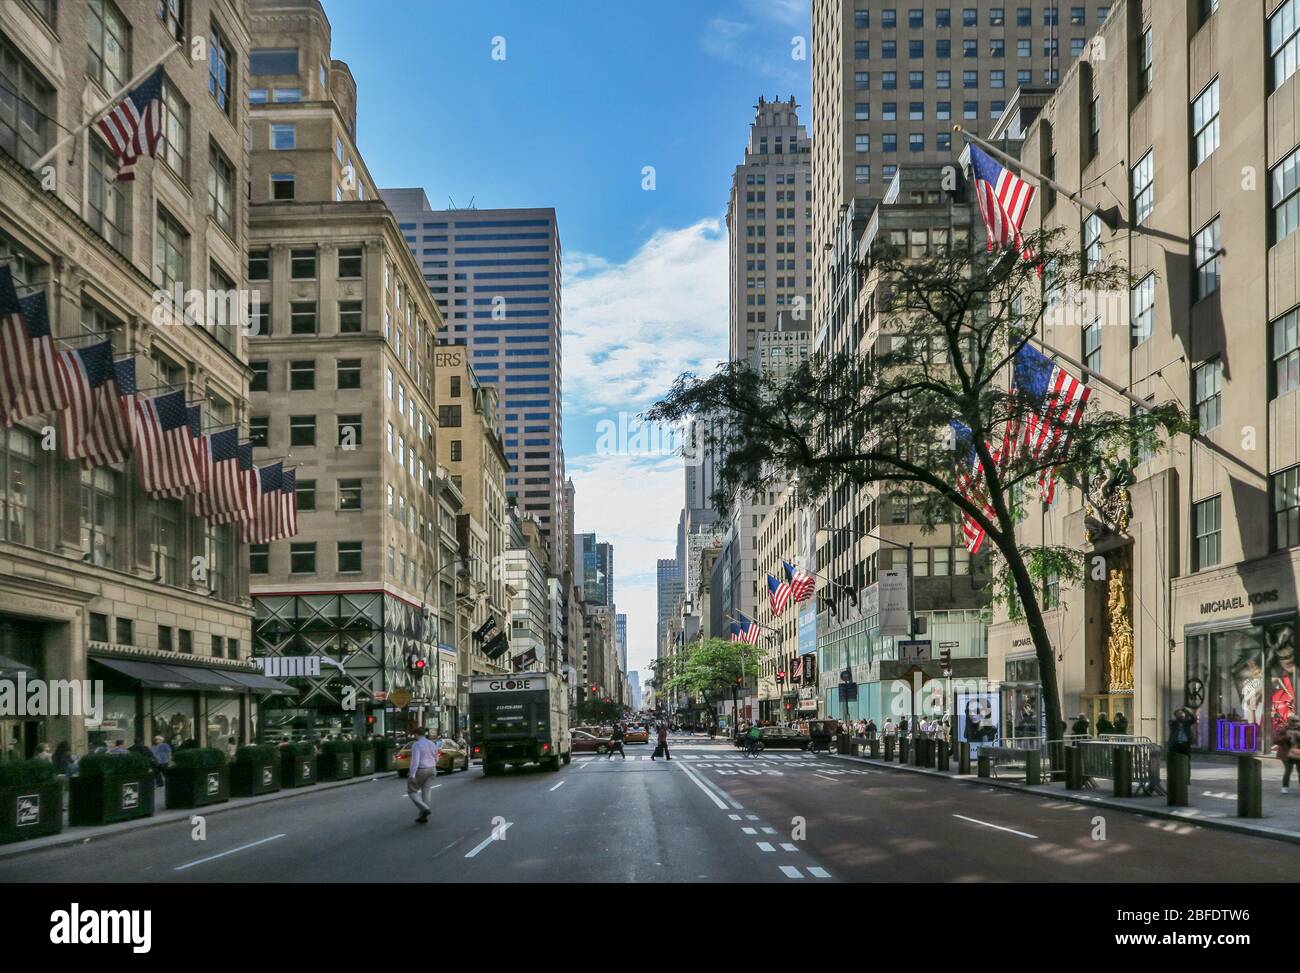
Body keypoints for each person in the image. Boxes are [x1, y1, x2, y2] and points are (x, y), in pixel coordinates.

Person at [406, 727, 442, 823]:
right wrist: (433, 765)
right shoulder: (432, 743)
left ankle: (424, 808)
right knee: (426, 791)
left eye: (414, 735)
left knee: (412, 791)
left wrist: (412, 774)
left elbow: (415, 760)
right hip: (432, 769)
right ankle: (423, 816)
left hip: (421, 769)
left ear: (416, 734)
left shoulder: (416, 744)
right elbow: (437, 758)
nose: (414, 737)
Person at [1275, 715, 1300, 795]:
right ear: (1288, 721)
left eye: (1296, 721)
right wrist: (1286, 737)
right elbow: (1276, 740)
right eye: (1292, 721)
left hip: (1298, 752)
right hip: (1286, 753)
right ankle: (1285, 787)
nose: (1294, 723)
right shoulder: (1283, 729)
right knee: (1288, 770)